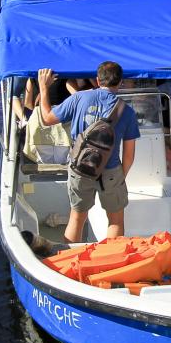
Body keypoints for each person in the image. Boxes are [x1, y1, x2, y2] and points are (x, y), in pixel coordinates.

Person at [37, 62, 140, 243]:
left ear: (98, 80)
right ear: (120, 82)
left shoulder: (79, 99)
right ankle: (109, 261)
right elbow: (129, 155)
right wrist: (119, 177)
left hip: (80, 168)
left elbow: (47, 119)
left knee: (76, 219)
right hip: (111, 171)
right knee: (115, 222)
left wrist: (44, 89)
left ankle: (69, 263)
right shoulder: (127, 111)